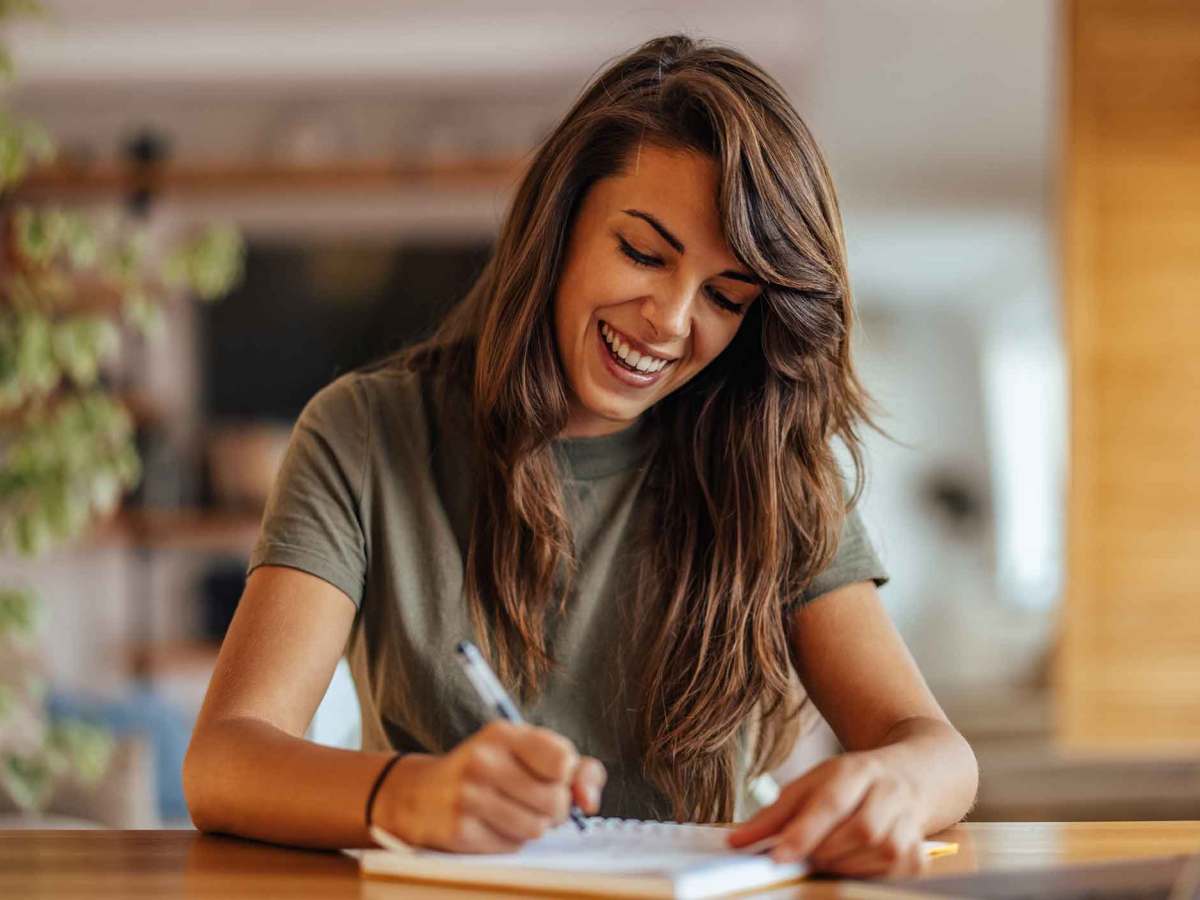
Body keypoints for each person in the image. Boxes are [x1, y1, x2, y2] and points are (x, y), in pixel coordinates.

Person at [182, 34, 978, 879]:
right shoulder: (365, 435)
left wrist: (889, 783)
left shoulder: (774, 470)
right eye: (642, 252)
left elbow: (936, 751)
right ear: (558, 227)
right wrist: (410, 796)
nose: (671, 320)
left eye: (725, 295)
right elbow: (225, 760)